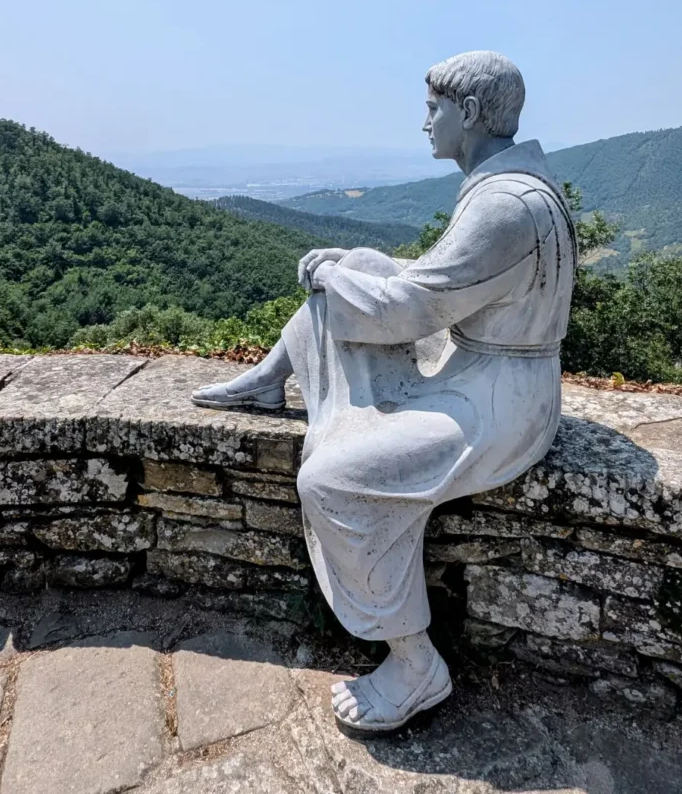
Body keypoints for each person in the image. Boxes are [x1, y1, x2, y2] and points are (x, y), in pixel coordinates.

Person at [192, 51, 577, 732]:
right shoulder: (506, 187)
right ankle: (268, 377)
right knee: (363, 262)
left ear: (470, 113)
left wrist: (326, 273)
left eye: (434, 108)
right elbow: (438, 283)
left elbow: (410, 310)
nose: (424, 121)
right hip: (483, 364)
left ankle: (413, 663)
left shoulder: (503, 206)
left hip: (500, 402)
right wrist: (348, 269)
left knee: (334, 481)